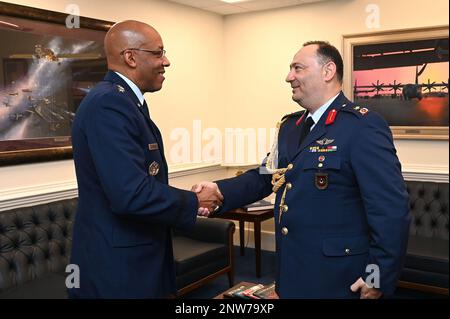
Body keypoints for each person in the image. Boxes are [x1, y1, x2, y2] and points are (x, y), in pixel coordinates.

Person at [194, 41, 410, 299]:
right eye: (290, 69)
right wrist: (219, 190)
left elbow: (390, 212)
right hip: (293, 270)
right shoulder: (291, 127)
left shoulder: (363, 126)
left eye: (298, 68)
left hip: (340, 277)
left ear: (328, 71)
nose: (289, 77)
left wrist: (376, 277)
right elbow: (266, 177)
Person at [69, 20, 222, 298]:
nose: (166, 61)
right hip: (118, 267)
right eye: (158, 53)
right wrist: (193, 201)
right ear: (130, 57)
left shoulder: (127, 101)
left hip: (137, 255)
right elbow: (130, 193)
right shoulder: (109, 104)